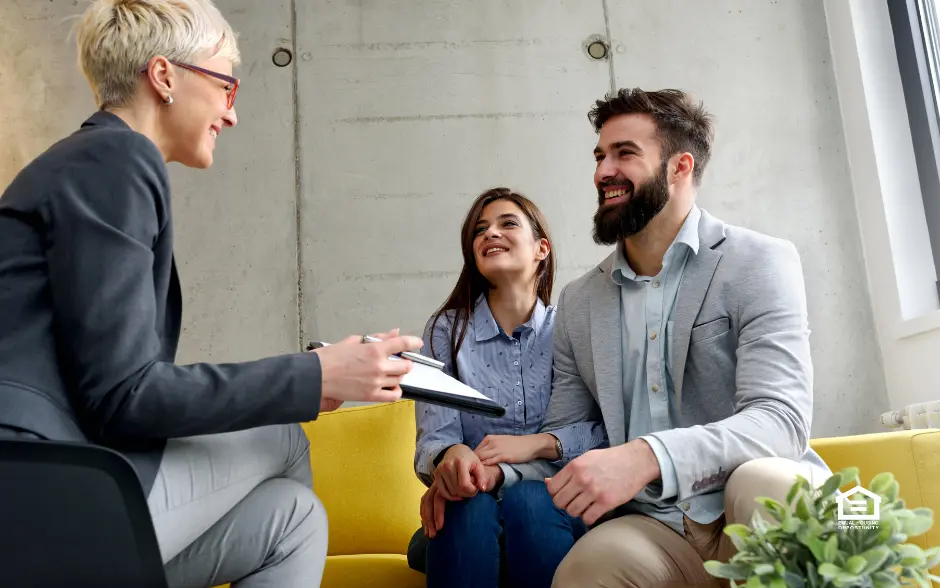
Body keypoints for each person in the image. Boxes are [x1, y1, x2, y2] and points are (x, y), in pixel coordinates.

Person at [0, 1, 423, 586]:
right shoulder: (114, 158)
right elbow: (123, 398)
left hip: (51, 483)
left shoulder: (86, 165)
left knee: (293, 519)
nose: (233, 113)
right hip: (36, 492)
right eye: (226, 84)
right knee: (283, 438)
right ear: (164, 75)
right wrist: (315, 375)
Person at [503, 88, 832, 587]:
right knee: (586, 568)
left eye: (624, 154)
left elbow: (781, 423)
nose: (602, 172)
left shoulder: (761, 261)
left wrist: (648, 455)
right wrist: (494, 470)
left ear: (680, 167)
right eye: (599, 156)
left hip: (764, 504)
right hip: (658, 528)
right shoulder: (578, 302)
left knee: (762, 481)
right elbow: (573, 438)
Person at [407, 187, 606, 588]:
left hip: (554, 512)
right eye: (480, 230)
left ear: (541, 249)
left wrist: (536, 446)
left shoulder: (572, 327)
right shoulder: (446, 330)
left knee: (530, 500)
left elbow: (604, 434)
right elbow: (432, 442)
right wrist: (451, 456)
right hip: (471, 516)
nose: (490, 233)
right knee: (467, 508)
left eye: (507, 224)